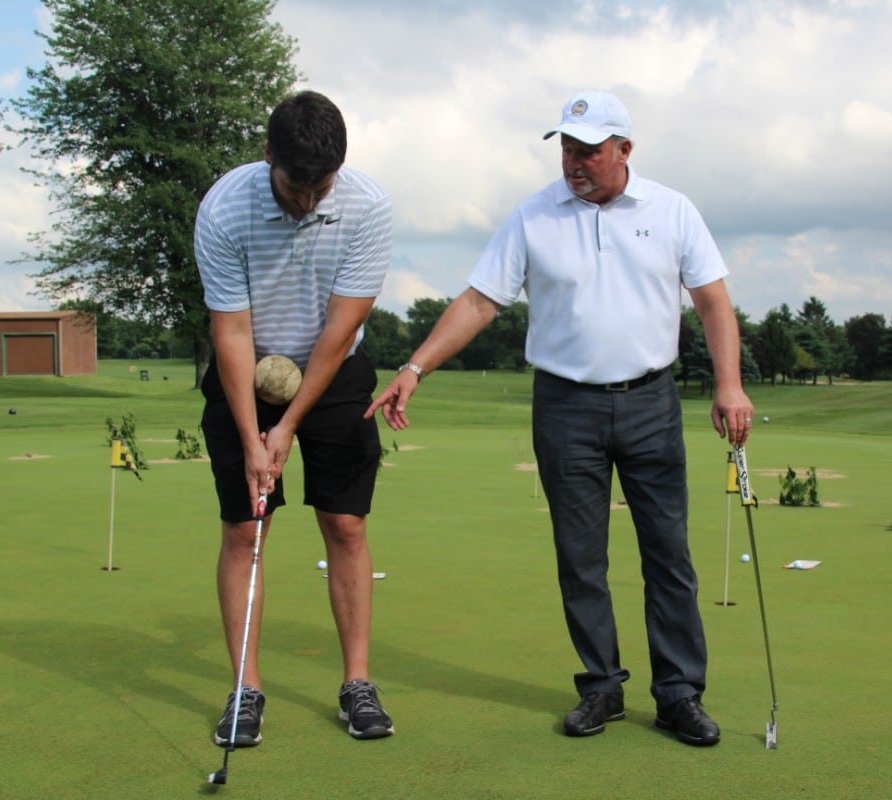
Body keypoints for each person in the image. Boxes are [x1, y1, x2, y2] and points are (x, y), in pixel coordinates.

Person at [366, 90, 754, 746]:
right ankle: (601, 686)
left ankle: (678, 692)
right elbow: (481, 301)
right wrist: (414, 367)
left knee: (668, 552)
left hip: (650, 401)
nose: (574, 163)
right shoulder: (532, 216)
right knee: (580, 556)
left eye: (589, 151)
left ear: (624, 150)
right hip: (565, 405)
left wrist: (730, 384)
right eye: (567, 149)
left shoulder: (672, 210)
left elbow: (713, 303)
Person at [195, 90, 395, 747]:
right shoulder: (226, 207)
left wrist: (285, 430)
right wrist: (255, 435)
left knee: (345, 522)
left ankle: (357, 684)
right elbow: (231, 330)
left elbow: (341, 332)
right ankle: (246, 690)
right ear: (267, 156)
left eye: (321, 186)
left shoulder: (366, 206)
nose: (309, 200)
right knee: (246, 531)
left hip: (333, 370)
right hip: (246, 366)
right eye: (295, 184)